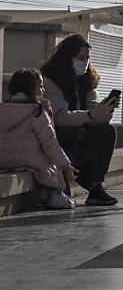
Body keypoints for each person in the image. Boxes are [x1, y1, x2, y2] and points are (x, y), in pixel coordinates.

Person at [40, 35, 119, 206]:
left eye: (87, 58)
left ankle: (96, 188)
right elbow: (60, 118)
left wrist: (105, 110)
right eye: (80, 58)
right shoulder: (50, 81)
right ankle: (62, 183)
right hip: (58, 143)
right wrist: (90, 114)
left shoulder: (86, 80)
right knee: (71, 132)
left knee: (107, 131)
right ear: (67, 58)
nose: (84, 62)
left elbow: (93, 117)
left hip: (79, 142)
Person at [0, 69, 79, 209]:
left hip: (3, 160)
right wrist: (66, 166)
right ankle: (56, 194)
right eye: (40, 85)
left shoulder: (3, 108)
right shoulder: (37, 110)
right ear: (30, 87)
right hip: (27, 159)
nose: (43, 90)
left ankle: (44, 192)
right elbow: (49, 142)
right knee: (50, 162)